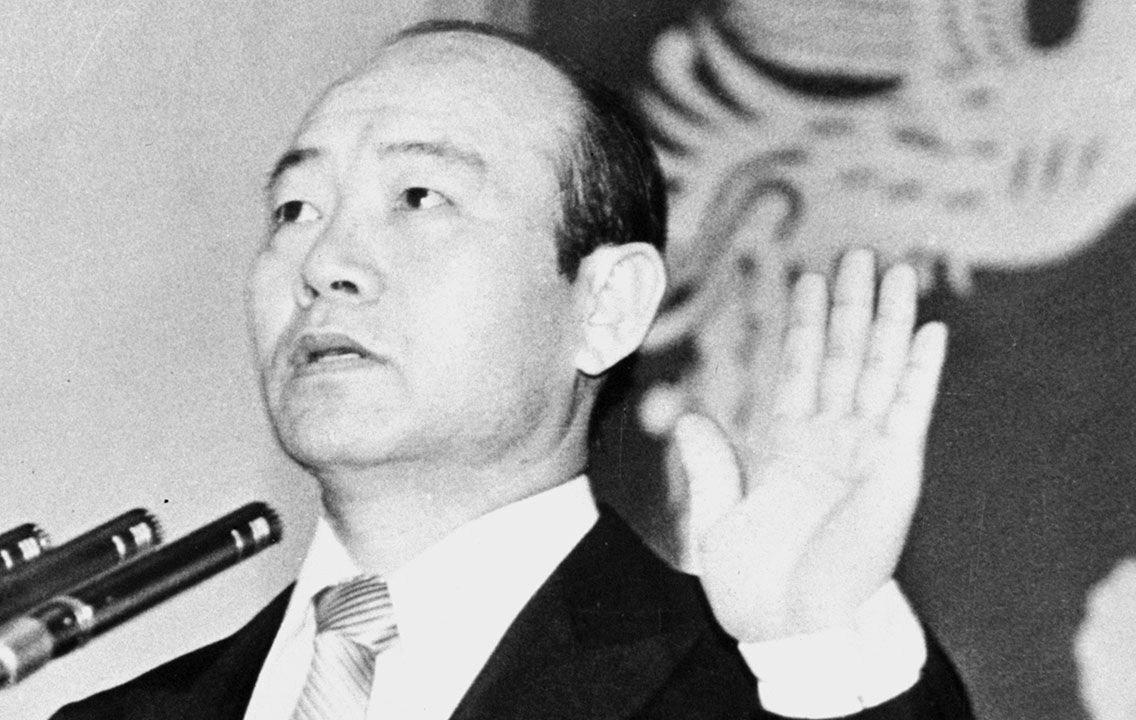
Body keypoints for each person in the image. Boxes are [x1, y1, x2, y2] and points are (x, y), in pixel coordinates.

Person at [51, 19, 971, 720]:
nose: (325, 261)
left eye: (420, 197)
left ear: (604, 306)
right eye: (295, 209)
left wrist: (816, 652)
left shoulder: (768, 686)